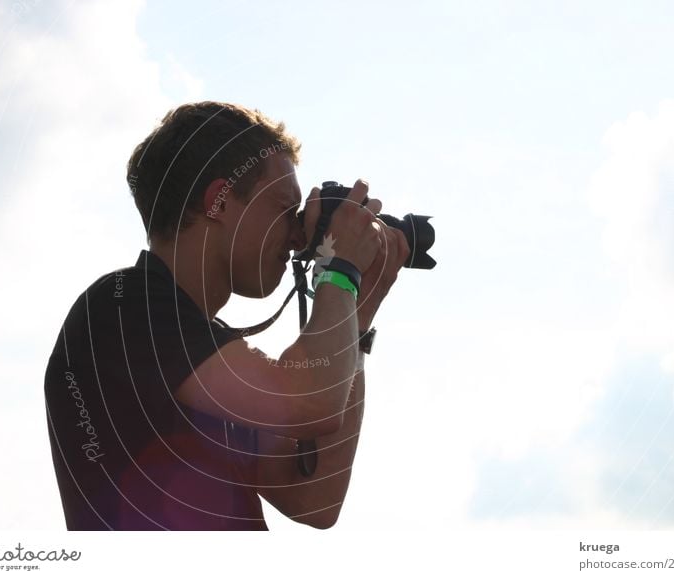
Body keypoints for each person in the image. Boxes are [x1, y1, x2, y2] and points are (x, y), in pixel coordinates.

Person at [43, 101, 409, 530]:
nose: (297, 235)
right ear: (218, 200)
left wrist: (358, 317)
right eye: (283, 209)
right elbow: (310, 401)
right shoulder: (123, 308)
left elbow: (314, 498)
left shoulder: (199, 348)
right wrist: (340, 268)